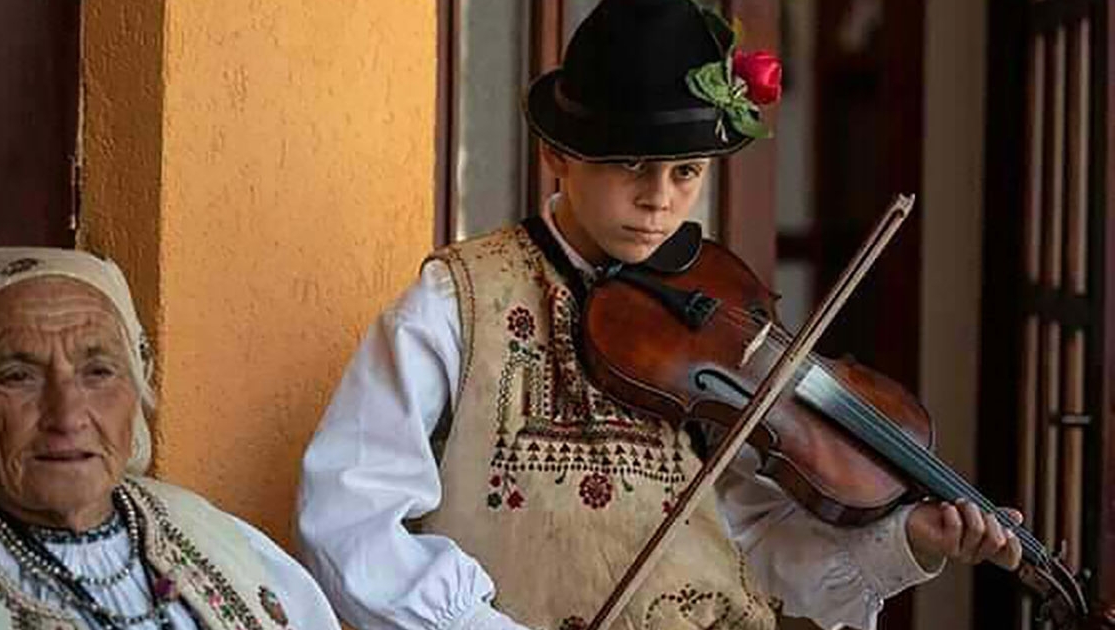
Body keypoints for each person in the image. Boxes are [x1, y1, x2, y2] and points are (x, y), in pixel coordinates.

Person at [295, 1, 1022, 629]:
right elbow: (350, 519)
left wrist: (907, 543)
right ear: (557, 151)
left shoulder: (720, 328)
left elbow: (758, 547)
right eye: (629, 164)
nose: (659, 199)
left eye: (687, 173)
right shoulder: (457, 302)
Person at [0, 247, 341, 630]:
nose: (66, 417)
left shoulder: (219, 537)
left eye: (98, 372)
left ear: (135, 398)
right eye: (18, 377)